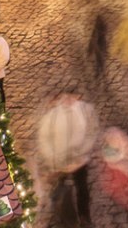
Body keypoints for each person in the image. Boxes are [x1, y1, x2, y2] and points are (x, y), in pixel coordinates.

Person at [36, 93, 99, 228]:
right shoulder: (52, 116)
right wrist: (54, 158)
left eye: (72, 96)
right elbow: (44, 139)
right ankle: (65, 219)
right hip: (60, 161)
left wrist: (81, 153)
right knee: (61, 190)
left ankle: (84, 217)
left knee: (82, 188)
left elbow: (91, 132)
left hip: (79, 160)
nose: (69, 100)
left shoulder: (84, 111)